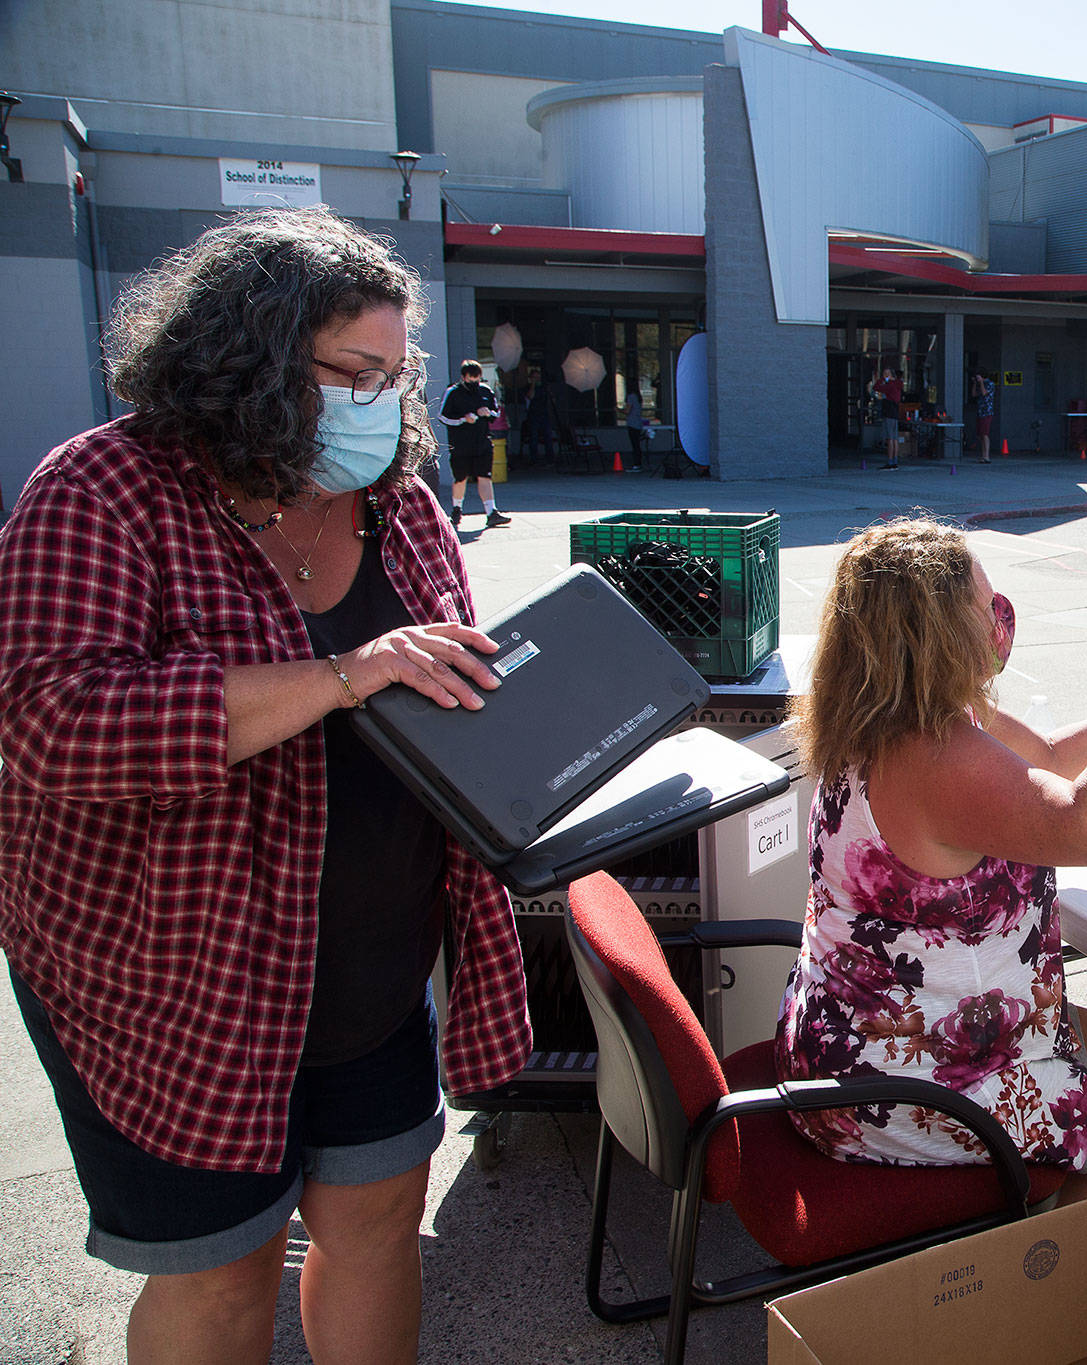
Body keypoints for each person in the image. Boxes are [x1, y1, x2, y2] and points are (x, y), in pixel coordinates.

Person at [0, 207, 532, 1365]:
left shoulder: (403, 504)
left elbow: (449, 689)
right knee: (222, 1278)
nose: (377, 405)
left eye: (393, 376)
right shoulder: (100, 489)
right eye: (349, 373)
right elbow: (54, 727)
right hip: (174, 986)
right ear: (244, 358)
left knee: (381, 1224)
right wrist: (341, 675)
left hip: (375, 970)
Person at [777, 519, 1087, 1200]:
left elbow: (1044, 756)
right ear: (937, 635)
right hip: (895, 1081)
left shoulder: (891, 711)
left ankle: (1043, 1195)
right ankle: (1031, 1277)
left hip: (850, 1032)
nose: (999, 619)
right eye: (984, 606)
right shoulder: (935, 756)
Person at [438, 359, 510, 528]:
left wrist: (487, 412)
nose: (475, 381)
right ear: (464, 377)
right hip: (460, 443)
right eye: (471, 377)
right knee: (460, 478)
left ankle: (491, 512)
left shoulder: (485, 390)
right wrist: (463, 419)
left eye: (478, 377)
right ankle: (456, 510)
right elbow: (443, 416)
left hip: (483, 442)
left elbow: (495, 412)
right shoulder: (453, 392)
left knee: (485, 476)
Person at [870, 366, 904, 469]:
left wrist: (883, 380)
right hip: (894, 412)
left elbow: (876, 387)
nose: (885, 376)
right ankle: (895, 461)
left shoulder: (890, 385)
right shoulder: (898, 384)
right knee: (894, 438)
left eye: (886, 374)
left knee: (890, 438)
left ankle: (890, 462)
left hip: (889, 412)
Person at [971, 370, 996, 463]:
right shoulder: (980, 384)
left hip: (987, 411)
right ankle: (983, 455)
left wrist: (981, 383)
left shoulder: (990, 384)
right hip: (980, 411)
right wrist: (974, 383)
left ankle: (987, 456)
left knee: (985, 434)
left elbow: (984, 393)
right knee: (981, 434)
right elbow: (974, 394)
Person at [623, 385, 648, 470]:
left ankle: (636, 463)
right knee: (637, 444)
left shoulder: (631, 397)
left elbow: (627, 411)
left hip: (632, 423)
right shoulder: (638, 397)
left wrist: (618, 409)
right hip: (638, 423)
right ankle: (638, 463)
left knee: (635, 444)